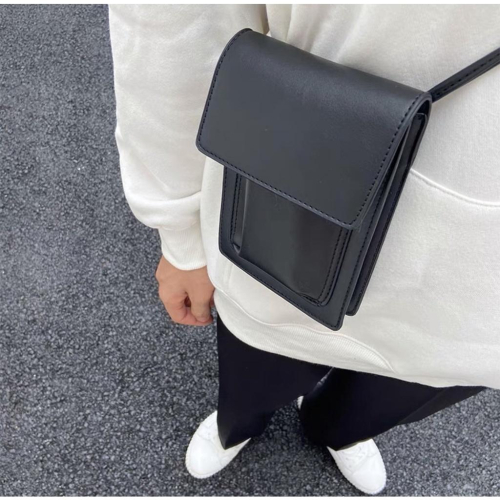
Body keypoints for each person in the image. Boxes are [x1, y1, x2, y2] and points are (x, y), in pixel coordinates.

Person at [108, 5, 499, 494]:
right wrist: (181, 233)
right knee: (254, 377)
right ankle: (238, 427)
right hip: (296, 207)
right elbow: (176, 22)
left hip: (477, 312)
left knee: (380, 404)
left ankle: (334, 430)